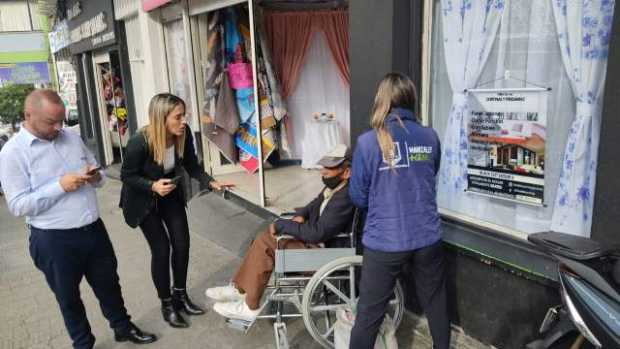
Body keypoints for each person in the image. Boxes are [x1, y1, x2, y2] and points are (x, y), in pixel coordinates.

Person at [0, 90, 157, 349]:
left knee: (109, 285)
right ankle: (83, 343)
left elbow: (99, 172)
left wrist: (95, 177)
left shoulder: (71, 136)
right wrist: (60, 186)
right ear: (28, 115)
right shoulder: (12, 153)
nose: (58, 127)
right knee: (68, 297)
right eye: (51, 122)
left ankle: (122, 327)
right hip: (53, 239)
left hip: (93, 229)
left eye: (61, 120)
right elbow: (17, 205)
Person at [348, 73, 450, 349]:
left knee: (368, 315)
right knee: (437, 304)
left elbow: (357, 196)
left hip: (385, 241)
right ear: (411, 100)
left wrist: (383, 201)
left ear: (382, 101)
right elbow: (431, 174)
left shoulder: (368, 142)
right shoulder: (430, 136)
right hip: (427, 237)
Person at [120, 93, 233, 328]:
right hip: (143, 201)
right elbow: (127, 175)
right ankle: (167, 304)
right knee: (161, 250)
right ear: (162, 118)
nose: (184, 121)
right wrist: (152, 185)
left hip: (169, 192)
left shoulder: (184, 133)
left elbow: (192, 164)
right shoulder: (139, 142)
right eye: (178, 116)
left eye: (185, 115)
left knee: (182, 244)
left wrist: (211, 182)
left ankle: (180, 296)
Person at [206, 144, 355, 322]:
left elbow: (318, 233)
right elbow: (313, 204)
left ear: (346, 172)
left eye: (329, 169)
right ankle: (241, 289)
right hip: (318, 246)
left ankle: (250, 306)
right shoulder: (334, 187)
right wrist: (299, 216)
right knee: (263, 238)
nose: (322, 172)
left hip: (326, 254)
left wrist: (284, 225)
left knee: (266, 243)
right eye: (323, 167)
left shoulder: (345, 197)